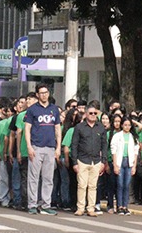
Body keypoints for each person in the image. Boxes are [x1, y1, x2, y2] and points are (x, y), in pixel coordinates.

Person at [24, 83, 62, 215]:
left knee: (48, 178)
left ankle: (46, 205)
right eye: (41, 93)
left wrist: (58, 147)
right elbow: (27, 129)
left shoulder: (54, 109)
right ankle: (32, 204)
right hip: (36, 147)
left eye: (46, 92)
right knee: (33, 178)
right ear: (37, 95)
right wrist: (29, 146)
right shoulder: (32, 109)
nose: (44, 95)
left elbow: (57, 129)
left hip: (50, 147)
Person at [70, 103, 107, 217]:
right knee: (82, 185)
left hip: (96, 161)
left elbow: (104, 145)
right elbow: (74, 145)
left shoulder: (100, 127)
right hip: (82, 160)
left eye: (95, 113)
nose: (92, 115)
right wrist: (75, 162)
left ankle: (91, 208)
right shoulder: (79, 127)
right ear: (86, 114)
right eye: (90, 113)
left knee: (93, 186)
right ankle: (80, 208)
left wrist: (103, 162)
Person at [110, 117, 138, 215]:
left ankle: (125, 206)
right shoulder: (117, 136)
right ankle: (119, 206)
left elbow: (135, 152)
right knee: (120, 184)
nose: (127, 127)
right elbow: (113, 151)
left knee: (127, 185)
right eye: (125, 125)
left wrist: (134, 166)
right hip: (120, 161)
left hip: (129, 162)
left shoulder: (133, 136)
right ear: (122, 125)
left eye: (129, 125)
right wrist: (115, 165)